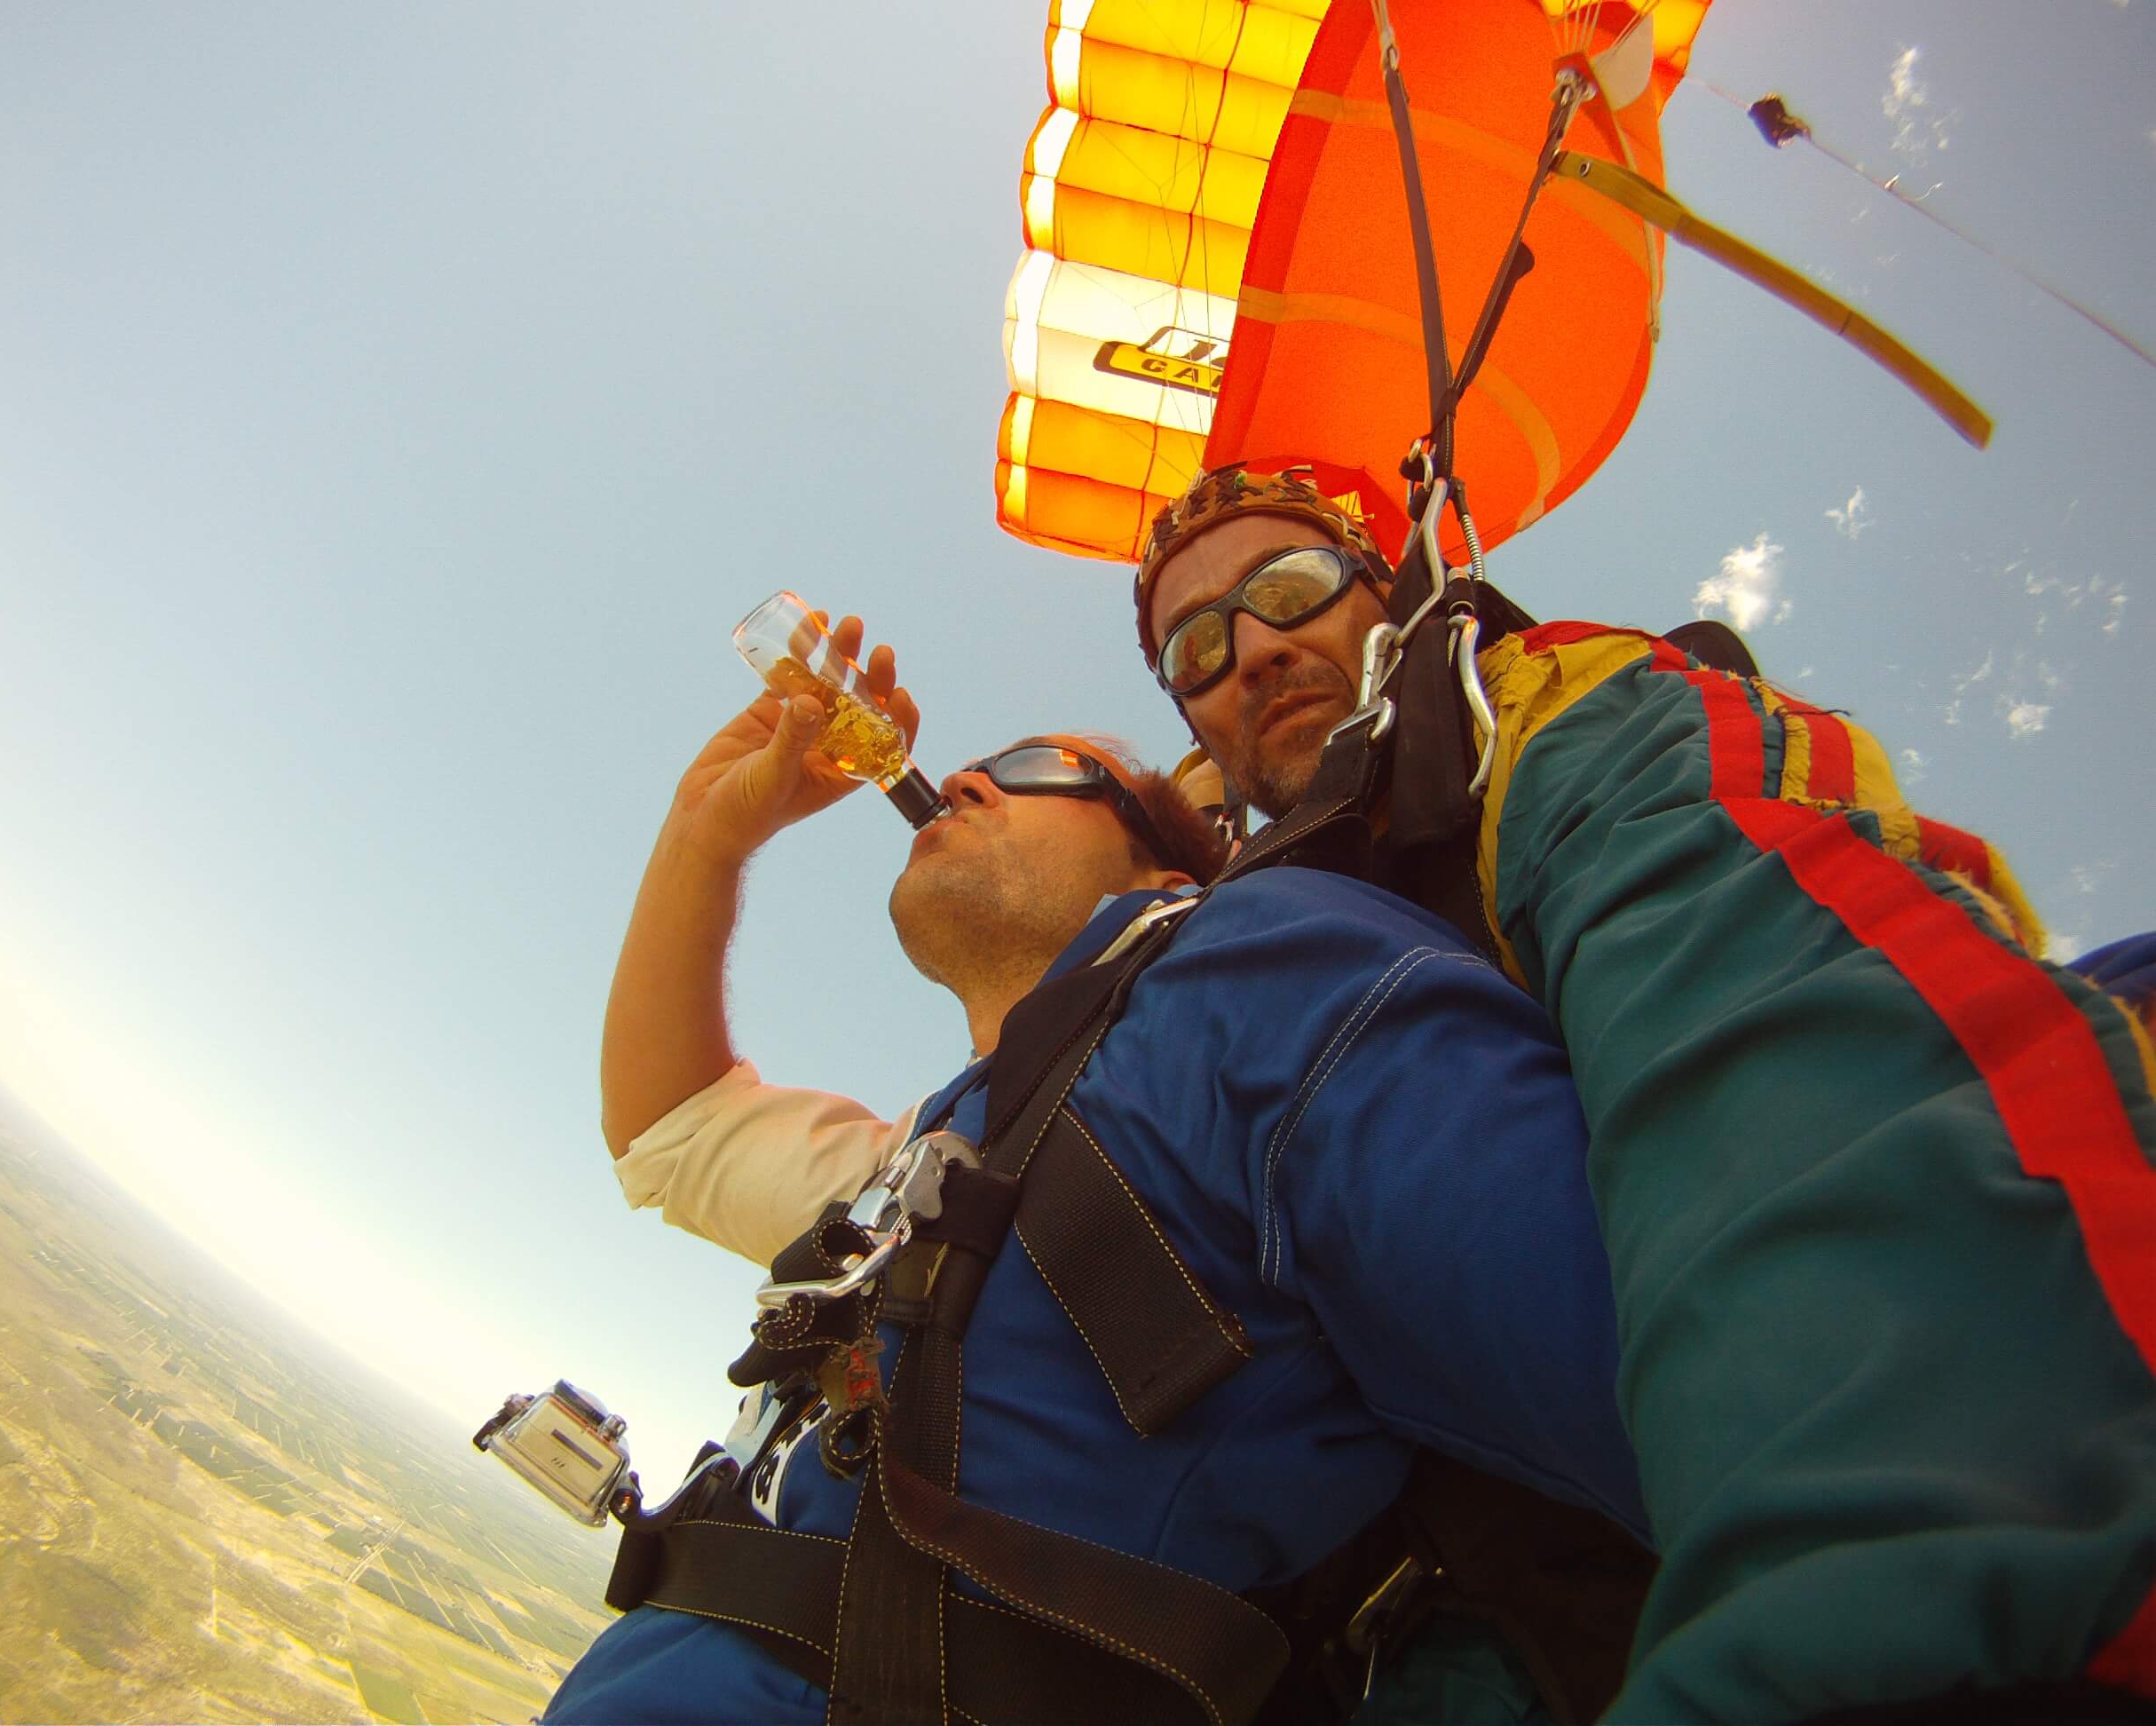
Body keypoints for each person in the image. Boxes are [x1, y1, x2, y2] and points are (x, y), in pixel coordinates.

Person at [1133, 463, 2156, 1722]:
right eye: (1196, 646)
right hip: (1434, 1630)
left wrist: (1927, 1578)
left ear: (1386, 594)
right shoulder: (1222, 938)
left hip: (1789, 1514)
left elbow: (1751, 996)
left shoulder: (1550, 715)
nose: (1253, 650)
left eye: (1288, 588)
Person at [549, 630, 1652, 1724]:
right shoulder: (933, 1155)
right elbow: (672, 1131)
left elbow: (1656, 1390)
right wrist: (708, 833)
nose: (972, 773)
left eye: (1042, 768)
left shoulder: (1255, 976)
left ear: (1167, 875)